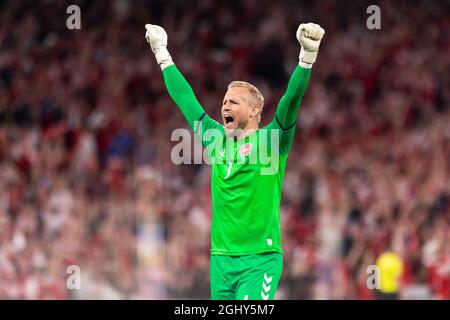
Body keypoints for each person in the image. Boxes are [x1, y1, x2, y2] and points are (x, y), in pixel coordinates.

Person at [144, 22, 324, 300]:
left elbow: (291, 101)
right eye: (224, 102)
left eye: (233, 102)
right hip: (221, 261)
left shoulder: (271, 140)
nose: (225, 106)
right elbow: (185, 98)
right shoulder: (216, 138)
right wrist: (161, 51)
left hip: (259, 259)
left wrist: (306, 59)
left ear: (254, 111)